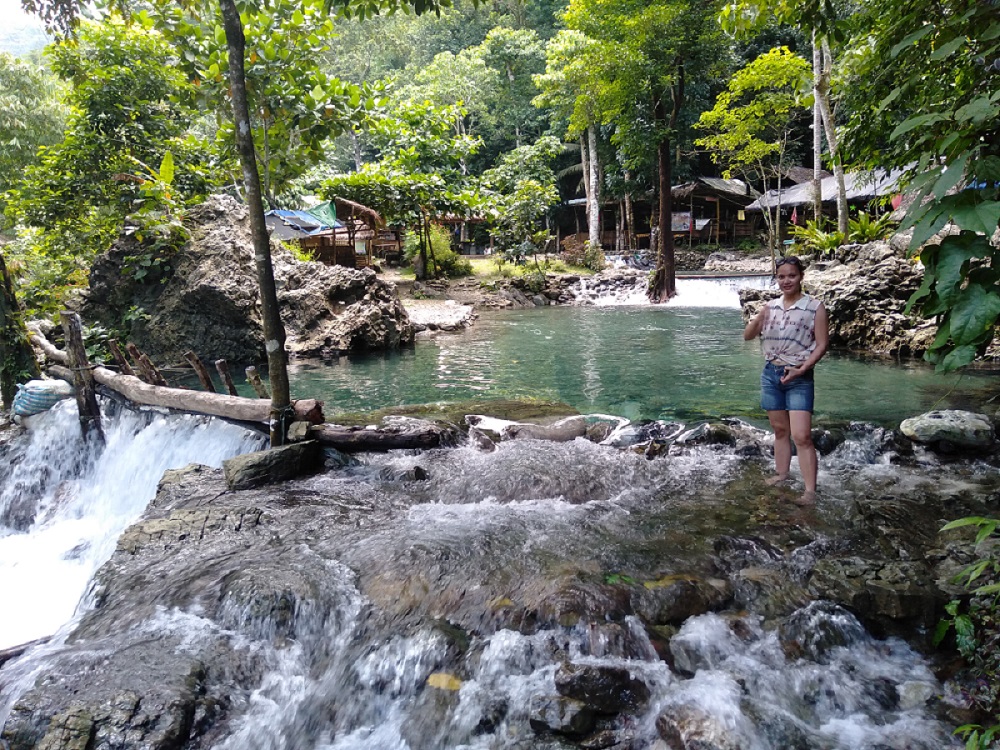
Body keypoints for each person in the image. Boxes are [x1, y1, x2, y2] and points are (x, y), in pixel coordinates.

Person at [743, 256, 829, 505]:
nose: (786, 280)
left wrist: (803, 369)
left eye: (791, 275)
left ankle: (810, 491)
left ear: (801, 276)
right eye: (781, 276)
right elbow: (748, 336)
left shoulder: (815, 307)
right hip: (771, 373)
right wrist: (758, 319)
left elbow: (822, 344)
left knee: (801, 435)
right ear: (776, 279)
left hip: (800, 376)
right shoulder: (770, 307)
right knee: (780, 430)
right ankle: (782, 474)